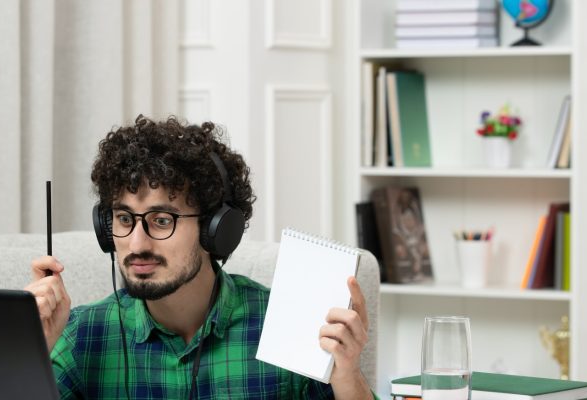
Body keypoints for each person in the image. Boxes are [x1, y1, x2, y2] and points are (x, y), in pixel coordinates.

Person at [24, 115, 375, 399]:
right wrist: (28, 350)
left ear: (215, 229)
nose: (137, 244)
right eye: (124, 219)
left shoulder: (286, 326)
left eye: (162, 221)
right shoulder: (83, 336)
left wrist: (347, 375)